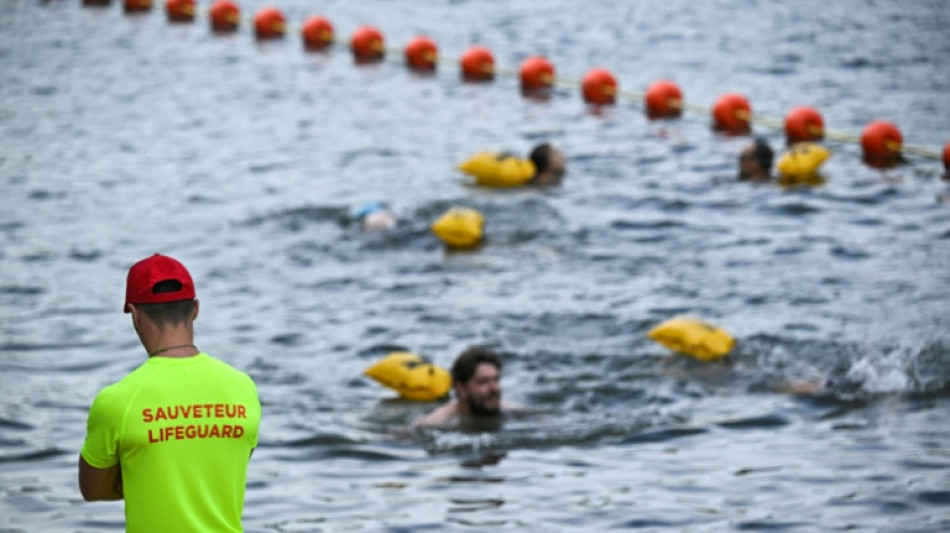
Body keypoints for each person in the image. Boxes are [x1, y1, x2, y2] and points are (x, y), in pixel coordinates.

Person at [79, 254, 261, 533]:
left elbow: (93, 490)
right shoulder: (242, 387)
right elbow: (223, 472)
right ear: (196, 309)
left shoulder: (117, 400)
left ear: (135, 314)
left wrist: (143, 475)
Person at [415, 346, 515, 427]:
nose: (494, 388)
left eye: (496, 380)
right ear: (461, 389)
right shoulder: (437, 422)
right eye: (483, 382)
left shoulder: (511, 410)